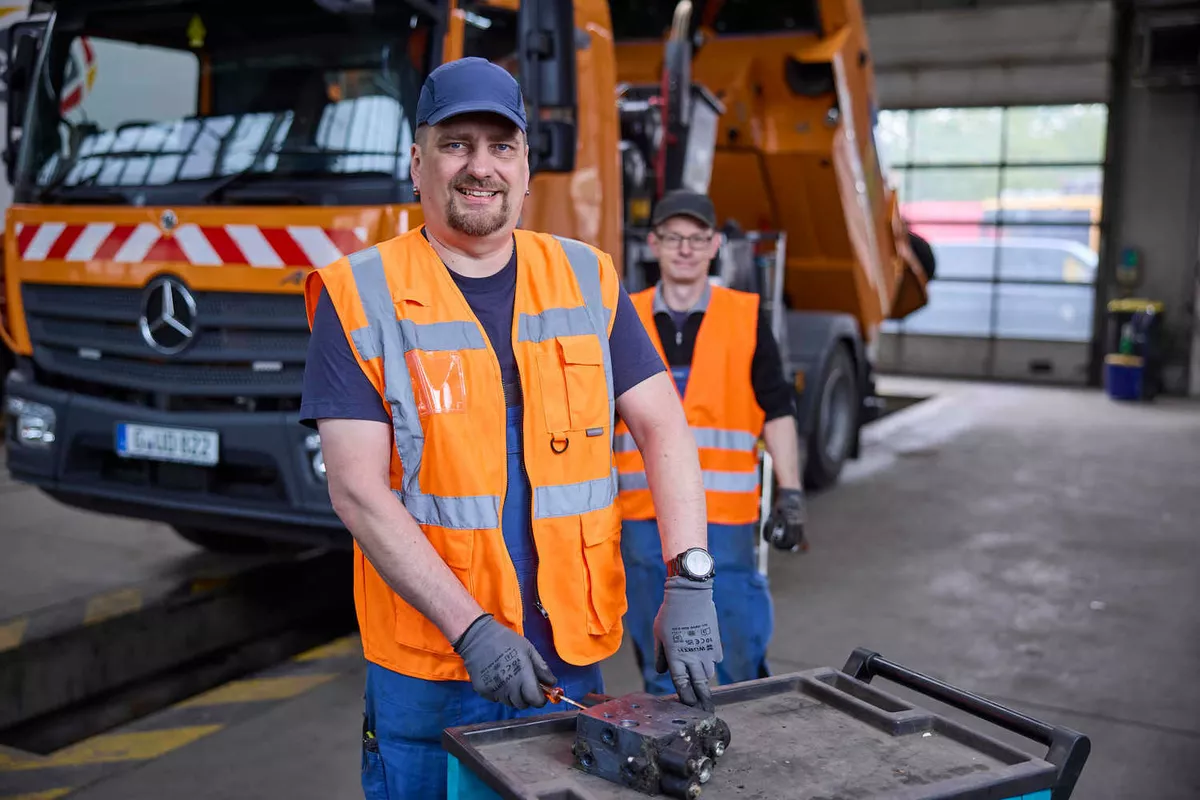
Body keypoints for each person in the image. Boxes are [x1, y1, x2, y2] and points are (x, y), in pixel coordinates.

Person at [298, 58, 723, 800]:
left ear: (527, 169)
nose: (480, 167)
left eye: (502, 147)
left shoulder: (586, 278)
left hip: (568, 654)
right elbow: (358, 490)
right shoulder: (358, 293)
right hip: (432, 664)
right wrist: (472, 629)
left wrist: (689, 577)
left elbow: (663, 427)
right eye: (456, 143)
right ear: (416, 164)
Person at [614, 188, 808, 695]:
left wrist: (790, 493)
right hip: (641, 517)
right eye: (673, 237)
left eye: (696, 238)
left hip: (725, 518)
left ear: (715, 244)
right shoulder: (620, 316)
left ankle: (741, 722)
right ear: (652, 244)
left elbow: (778, 409)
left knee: (738, 642)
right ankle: (673, 746)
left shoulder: (745, 316)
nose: (685, 249)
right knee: (659, 650)